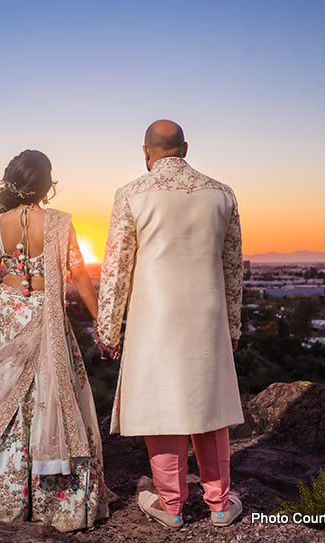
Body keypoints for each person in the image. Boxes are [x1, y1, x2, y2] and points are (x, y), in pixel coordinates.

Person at [0, 149, 111, 532]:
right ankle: (58, 500)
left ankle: (2, 493)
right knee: (51, 394)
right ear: (46, 185)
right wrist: (102, 322)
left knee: (3, 400)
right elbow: (80, 277)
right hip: (44, 312)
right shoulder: (59, 223)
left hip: (7, 313)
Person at [96, 120, 245, 528]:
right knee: (209, 402)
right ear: (185, 148)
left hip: (154, 314)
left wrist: (108, 331)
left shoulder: (131, 193)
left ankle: (171, 506)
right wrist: (233, 327)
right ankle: (219, 504)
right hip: (208, 312)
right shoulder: (222, 193)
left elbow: (116, 268)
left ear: (146, 152)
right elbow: (233, 269)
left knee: (163, 406)